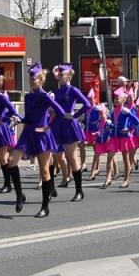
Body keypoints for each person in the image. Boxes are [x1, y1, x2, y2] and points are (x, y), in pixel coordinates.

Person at [11, 63, 69, 217]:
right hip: (28, 133)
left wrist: (48, 126)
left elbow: (61, 112)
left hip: (42, 135)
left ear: (41, 80)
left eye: (35, 79)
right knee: (11, 161)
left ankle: (45, 207)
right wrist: (20, 120)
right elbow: (29, 117)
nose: (32, 81)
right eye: (30, 78)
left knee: (44, 171)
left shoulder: (45, 96)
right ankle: (19, 195)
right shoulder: (28, 97)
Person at [51, 64, 92, 200]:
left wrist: (75, 115)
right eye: (59, 74)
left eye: (62, 75)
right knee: (52, 156)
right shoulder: (55, 92)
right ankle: (50, 187)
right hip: (56, 125)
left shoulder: (73, 90)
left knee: (71, 157)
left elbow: (87, 104)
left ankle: (79, 190)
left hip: (69, 125)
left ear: (68, 76)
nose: (59, 76)